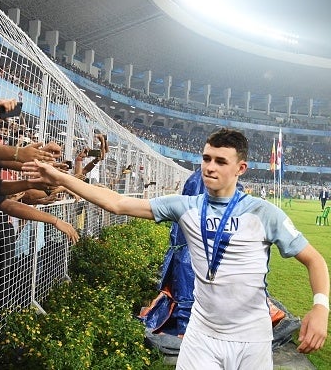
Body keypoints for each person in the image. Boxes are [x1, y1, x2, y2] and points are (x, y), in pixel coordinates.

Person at [23, 128, 329, 369]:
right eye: (207, 158)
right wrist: (61, 177)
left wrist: (319, 307)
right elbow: (116, 203)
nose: (210, 167)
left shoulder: (264, 213)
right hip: (201, 334)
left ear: (241, 168)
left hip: (252, 338)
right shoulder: (185, 207)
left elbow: (314, 260)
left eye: (221, 161)